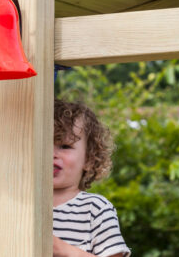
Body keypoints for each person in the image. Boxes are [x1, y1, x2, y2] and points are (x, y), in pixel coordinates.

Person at [52, 99, 131, 257]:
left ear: (89, 159)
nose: (51, 154)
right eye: (43, 145)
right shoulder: (18, 204)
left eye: (65, 146)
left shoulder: (94, 209)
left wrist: (60, 249)